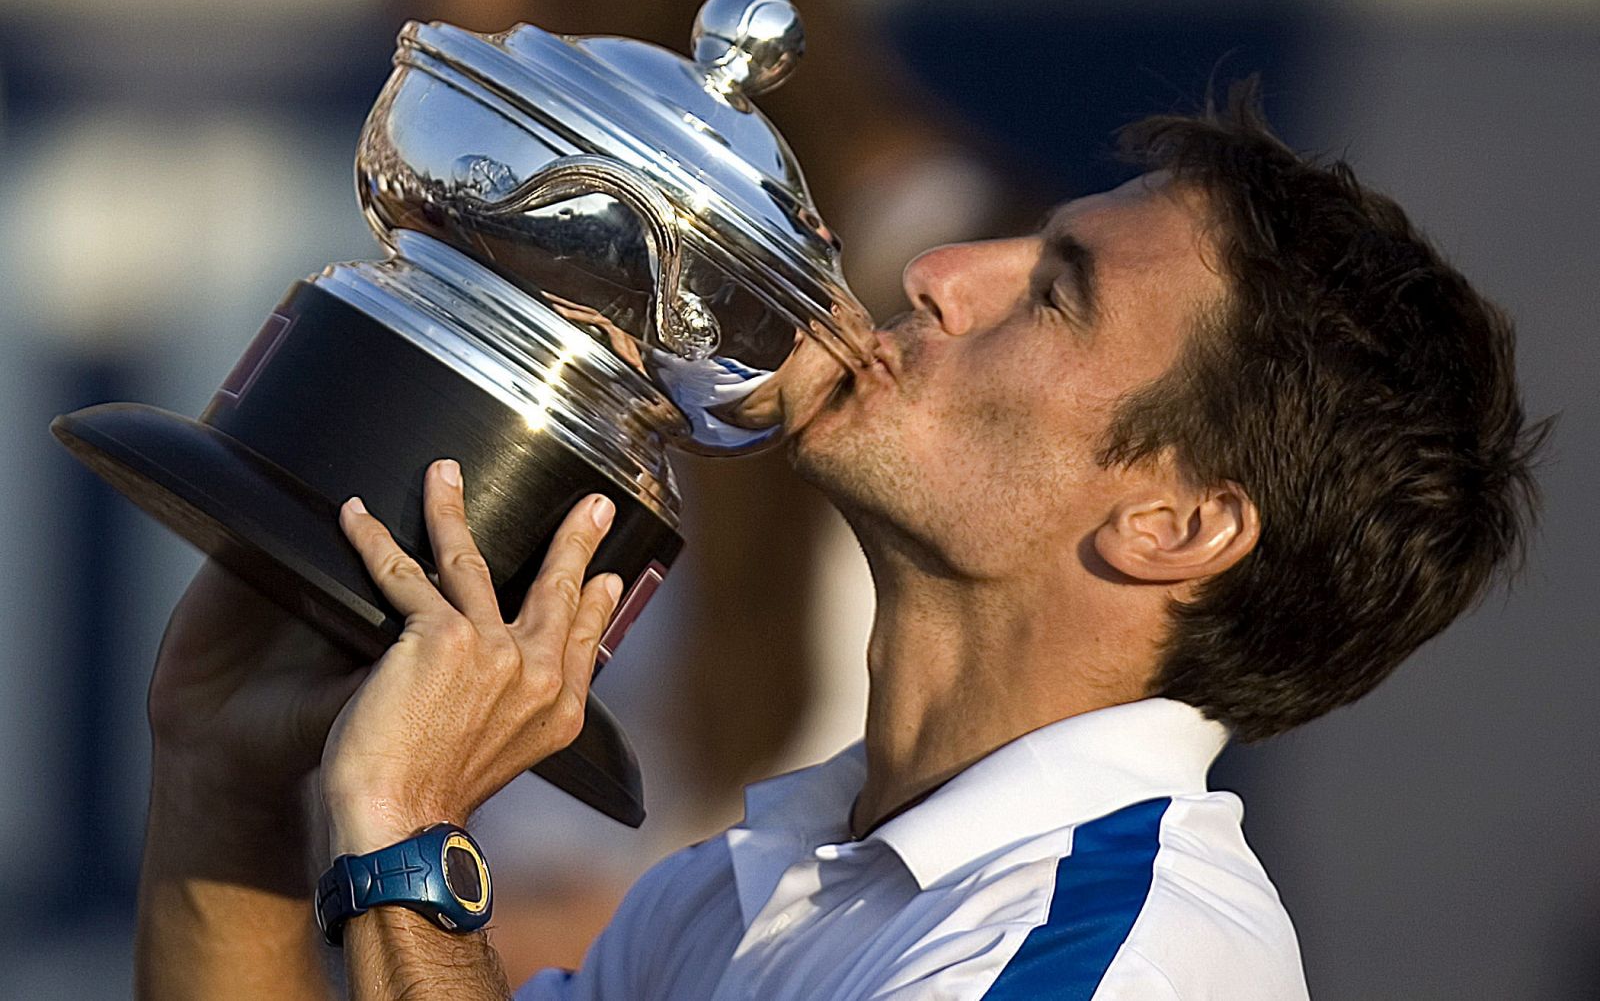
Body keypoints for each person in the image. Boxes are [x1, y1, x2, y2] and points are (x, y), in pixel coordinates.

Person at [132, 87, 1547, 999]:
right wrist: (221, 780)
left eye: (1053, 293)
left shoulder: (1123, 963)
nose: (937, 273)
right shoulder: (740, 895)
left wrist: (410, 844)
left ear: (1174, 522)